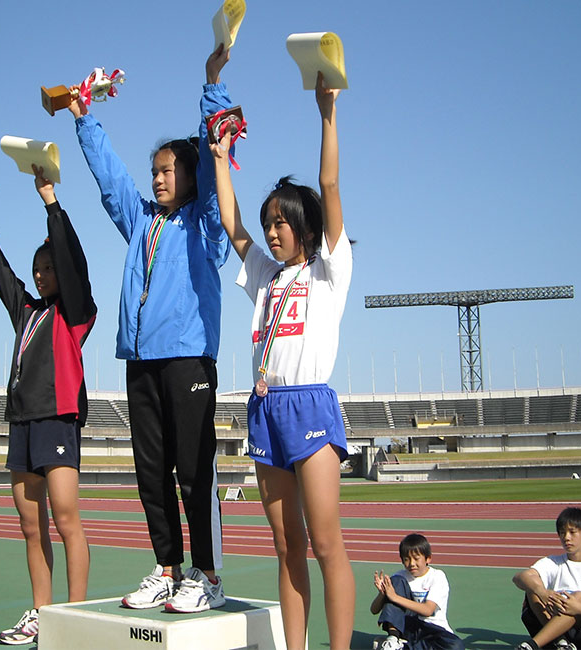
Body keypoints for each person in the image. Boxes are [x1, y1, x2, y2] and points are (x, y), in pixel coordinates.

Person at [66, 43, 233, 614]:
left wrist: (212, 82)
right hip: (139, 359)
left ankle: (207, 573)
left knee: (193, 470)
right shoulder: (141, 222)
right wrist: (85, 118)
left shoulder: (206, 226)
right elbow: (112, 182)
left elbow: (215, 167)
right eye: (155, 171)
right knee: (149, 472)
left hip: (187, 358)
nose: (157, 178)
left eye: (167, 171)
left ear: (189, 174)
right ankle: (168, 566)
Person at [209, 72, 354, 649]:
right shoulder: (267, 277)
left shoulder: (329, 271)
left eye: (282, 223)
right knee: (286, 545)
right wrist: (221, 157)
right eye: (270, 223)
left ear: (306, 228)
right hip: (265, 408)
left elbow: (330, 183)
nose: (272, 233)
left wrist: (326, 113)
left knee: (324, 542)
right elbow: (230, 225)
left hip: (311, 405)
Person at [0, 165, 96, 645]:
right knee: (29, 524)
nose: (43, 275)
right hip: (21, 421)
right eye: (37, 270)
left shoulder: (75, 314)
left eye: (49, 269)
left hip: (57, 420)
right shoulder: (26, 310)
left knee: (66, 518)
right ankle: (43, 613)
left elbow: (70, 257)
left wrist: (49, 202)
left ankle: (77, 615)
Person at [512, 507, 581, 650]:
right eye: (562, 533)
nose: (566, 538)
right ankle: (559, 641)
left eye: (572, 532)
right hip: (557, 626)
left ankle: (532, 645)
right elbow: (519, 577)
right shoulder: (553, 562)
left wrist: (579, 608)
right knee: (532, 587)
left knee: (580, 597)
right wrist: (543, 593)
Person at [370, 533, 464, 650]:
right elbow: (374, 610)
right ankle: (393, 639)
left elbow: (428, 610)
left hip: (434, 628)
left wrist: (394, 597)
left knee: (456, 646)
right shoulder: (399, 577)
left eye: (416, 558)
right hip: (409, 627)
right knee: (396, 581)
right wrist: (382, 594)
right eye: (406, 559)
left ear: (428, 558)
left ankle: (400, 647)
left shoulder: (437, 576)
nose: (412, 563)